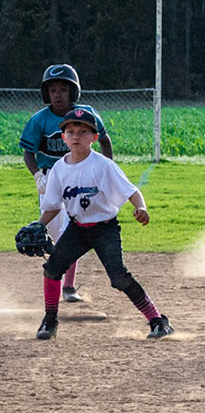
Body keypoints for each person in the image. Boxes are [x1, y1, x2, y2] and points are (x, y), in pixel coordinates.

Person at [34, 108, 166, 341]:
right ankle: (50, 319)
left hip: (104, 228)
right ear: (63, 137)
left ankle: (158, 320)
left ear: (94, 138)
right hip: (77, 229)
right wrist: (38, 225)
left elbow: (131, 191)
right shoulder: (59, 169)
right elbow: (53, 205)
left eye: (83, 131)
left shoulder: (102, 165)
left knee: (119, 277)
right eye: (71, 131)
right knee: (52, 269)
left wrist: (141, 208)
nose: (76, 136)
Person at [19, 65, 113, 304]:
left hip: (81, 175)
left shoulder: (85, 114)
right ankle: (55, 276)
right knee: (49, 231)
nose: (58, 95)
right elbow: (28, 152)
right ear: (46, 93)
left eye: (63, 89)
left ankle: (68, 286)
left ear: (74, 92)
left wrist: (105, 171)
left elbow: (104, 140)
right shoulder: (39, 120)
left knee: (73, 229)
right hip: (51, 177)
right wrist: (37, 176)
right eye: (53, 90)